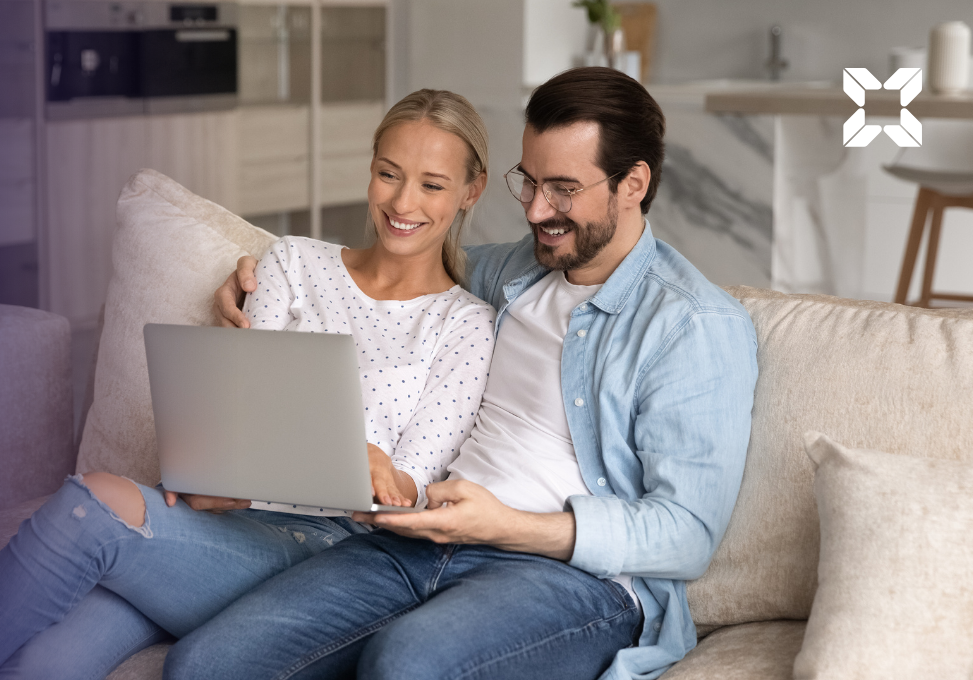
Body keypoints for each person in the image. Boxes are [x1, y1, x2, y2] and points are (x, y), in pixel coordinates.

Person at [192, 66, 759, 680]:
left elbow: (687, 534)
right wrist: (249, 274)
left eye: (563, 189)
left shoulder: (693, 325)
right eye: (529, 181)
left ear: (633, 184)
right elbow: (391, 258)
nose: (536, 210)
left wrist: (507, 527)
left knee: (406, 664)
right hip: (417, 543)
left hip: (568, 579)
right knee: (207, 663)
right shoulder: (508, 272)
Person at [0, 89, 497, 680]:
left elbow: (410, 490)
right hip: (217, 519)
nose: (402, 202)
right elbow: (238, 402)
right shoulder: (293, 262)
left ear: (470, 192)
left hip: (326, 552)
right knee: (45, 663)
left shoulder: (465, 325)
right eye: (389, 174)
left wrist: (364, 463)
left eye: (432, 185)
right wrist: (209, 471)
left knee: (91, 503)